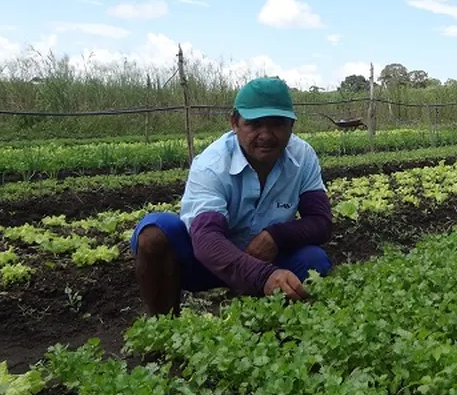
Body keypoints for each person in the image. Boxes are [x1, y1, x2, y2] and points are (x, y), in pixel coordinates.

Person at [130, 77, 333, 316]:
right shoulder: (212, 164)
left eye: (277, 124)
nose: (266, 135)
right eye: (254, 124)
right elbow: (205, 238)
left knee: (313, 261)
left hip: (269, 257)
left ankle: (268, 326)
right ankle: (162, 325)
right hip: (208, 264)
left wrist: (276, 236)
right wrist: (262, 275)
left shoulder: (303, 156)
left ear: (291, 125)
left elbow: (321, 221)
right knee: (155, 233)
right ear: (235, 123)